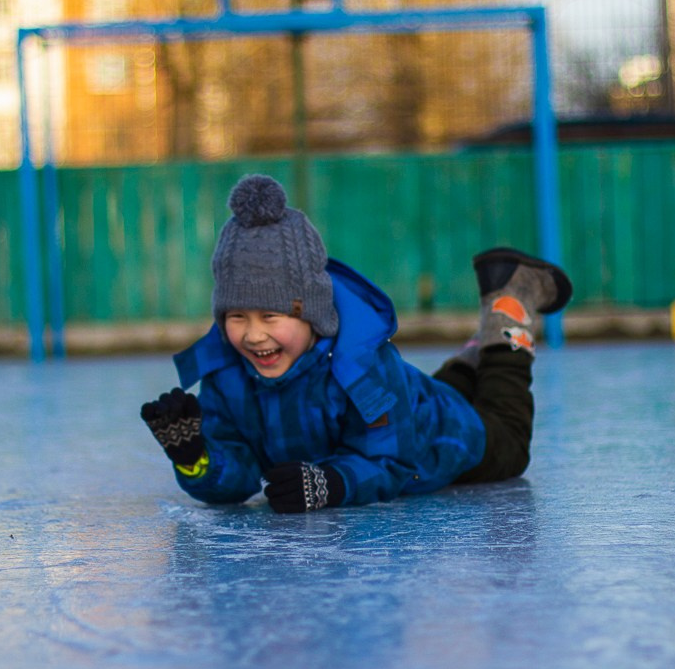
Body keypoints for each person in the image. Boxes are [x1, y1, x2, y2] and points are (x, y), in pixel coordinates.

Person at [140, 173, 571, 513]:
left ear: (312, 312)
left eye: (271, 316)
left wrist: (332, 483)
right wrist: (196, 458)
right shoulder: (226, 372)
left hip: (442, 443)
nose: (253, 335)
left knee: (508, 442)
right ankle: (474, 352)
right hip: (410, 402)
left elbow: (391, 461)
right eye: (237, 317)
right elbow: (241, 471)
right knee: (423, 393)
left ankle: (509, 304)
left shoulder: (363, 364)